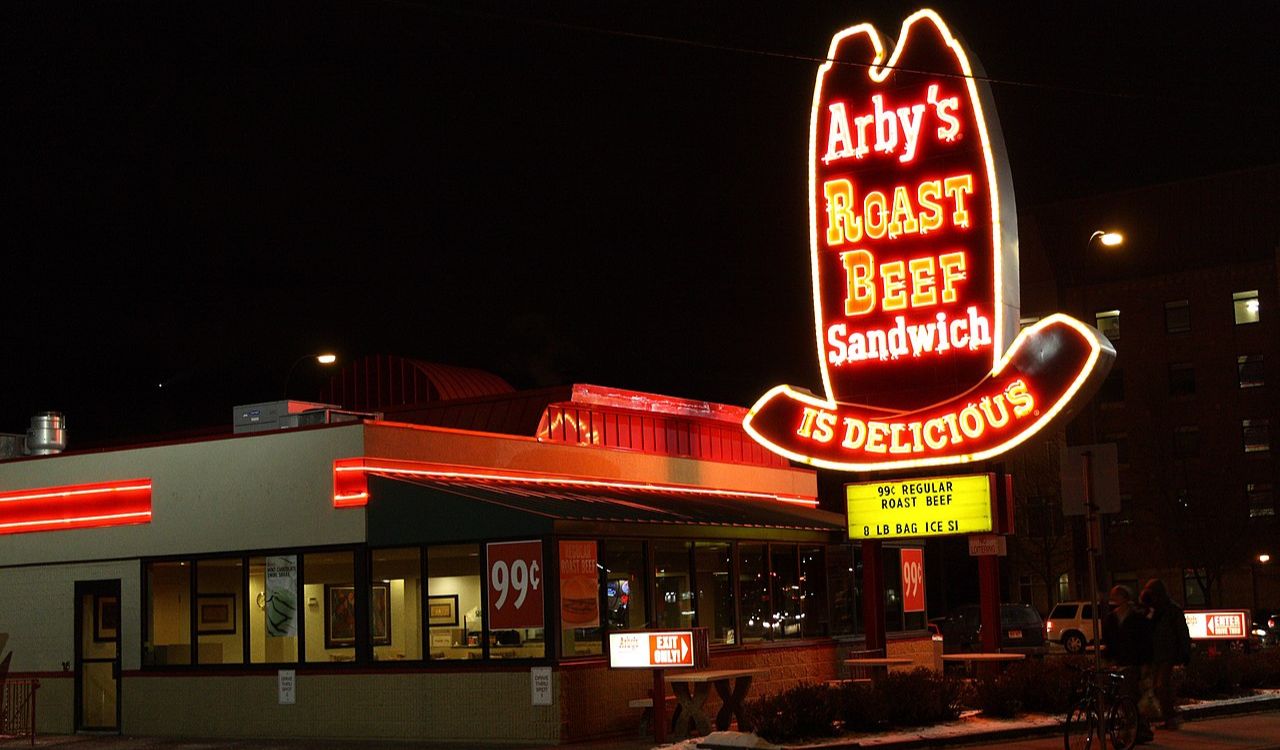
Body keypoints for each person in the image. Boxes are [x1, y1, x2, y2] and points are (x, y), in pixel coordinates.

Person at [1101, 584, 1155, 744]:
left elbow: (1144, 642)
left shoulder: (1136, 618)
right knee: (1127, 697)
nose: (1115, 600)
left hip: (1132, 662)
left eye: (1118, 596)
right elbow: (1109, 641)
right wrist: (1107, 659)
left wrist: (1145, 664)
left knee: (1127, 695)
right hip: (1120, 662)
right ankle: (1139, 728)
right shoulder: (1112, 618)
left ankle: (1132, 730)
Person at [1141, 578, 1191, 729]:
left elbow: (1182, 632)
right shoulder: (1150, 611)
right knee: (1157, 688)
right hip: (1155, 654)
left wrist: (1185, 652)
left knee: (1161, 685)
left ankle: (1170, 717)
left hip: (1168, 654)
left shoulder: (1172, 610)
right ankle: (1169, 716)